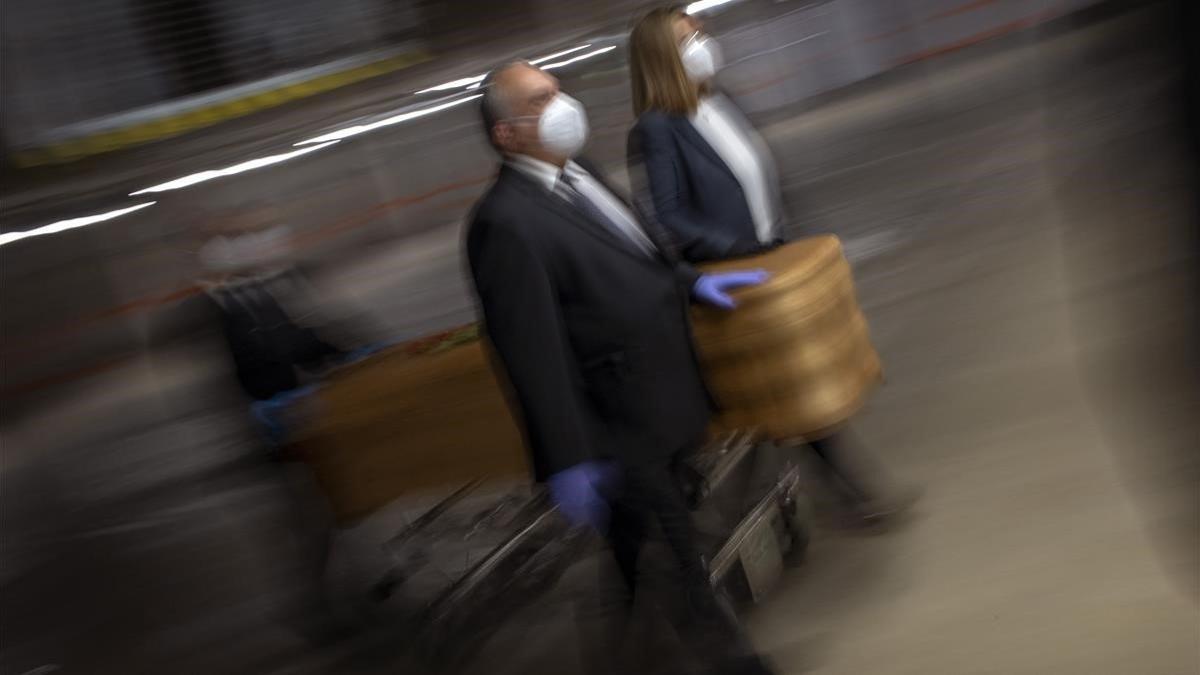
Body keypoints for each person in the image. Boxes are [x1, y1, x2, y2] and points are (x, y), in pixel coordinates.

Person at [466, 60, 775, 675]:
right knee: (679, 563)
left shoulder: (579, 174)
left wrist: (689, 284)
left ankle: (625, 658)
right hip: (619, 425)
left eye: (557, 90)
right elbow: (531, 351)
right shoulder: (503, 222)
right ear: (507, 135)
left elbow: (642, 253)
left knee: (641, 556)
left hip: (666, 400)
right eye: (540, 99)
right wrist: (569, 456)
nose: (562, 104)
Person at [627, 6, 917, 525]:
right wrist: (733, 244)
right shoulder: (657, 128)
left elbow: (758, 174)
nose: (701, 42)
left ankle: (837, 493)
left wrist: (790, 239)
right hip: (734, 274)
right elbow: (666, 216)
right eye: (685, 38)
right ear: (660, 58)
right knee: (782, 392)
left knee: (788, 389)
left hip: (772, 256)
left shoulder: (720, 100)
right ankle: (855, 495)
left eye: (698, 32)